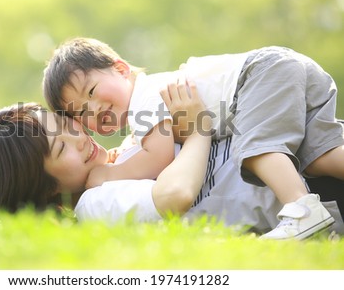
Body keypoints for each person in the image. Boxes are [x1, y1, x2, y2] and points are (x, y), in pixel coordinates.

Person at [0, 83, 344, 239]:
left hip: (302, 157)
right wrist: (199, 129)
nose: (80, 137)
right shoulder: (94, 204)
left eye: (66, 125)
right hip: (311, 192)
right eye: (61, 149)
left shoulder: (117, 161)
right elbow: (176, 193)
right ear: (45, 190)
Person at [42, 37, 344, 240]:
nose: (94, 109)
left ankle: (301, 207)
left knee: (256, 150)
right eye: (81, 113)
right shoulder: (144, 116)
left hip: (258, 76)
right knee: (321, 155)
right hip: (279, 69)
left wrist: (108, 173)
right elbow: (148, 148)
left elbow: (158, 158)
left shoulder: (146, 100)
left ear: (120, 69)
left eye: (92, 93)